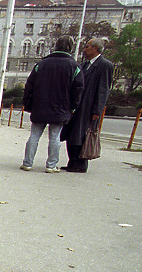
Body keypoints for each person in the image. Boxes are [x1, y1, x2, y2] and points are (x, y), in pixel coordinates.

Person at [20, 35, 84, 173]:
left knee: (34, 135)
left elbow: (29, 85)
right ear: (71, 47)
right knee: (55, 137)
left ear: (56, 45)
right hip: (61, 107)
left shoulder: (41, 65)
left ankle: (27, 163)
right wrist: (73, 107)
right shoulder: (75, 67)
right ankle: (51, 165)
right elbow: (77, 89)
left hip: (40, 105)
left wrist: (27, 103)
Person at [61, 38, 114, 173]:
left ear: (95, 48)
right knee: (72, 133)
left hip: (89, 107)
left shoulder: (104, 65)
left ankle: (81, 164)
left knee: (83, 135)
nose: (84, 49)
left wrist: (97, 109)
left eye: (87, 47)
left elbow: (104, 89)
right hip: (78, 105)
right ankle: (72, 161)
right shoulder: (84, 65)